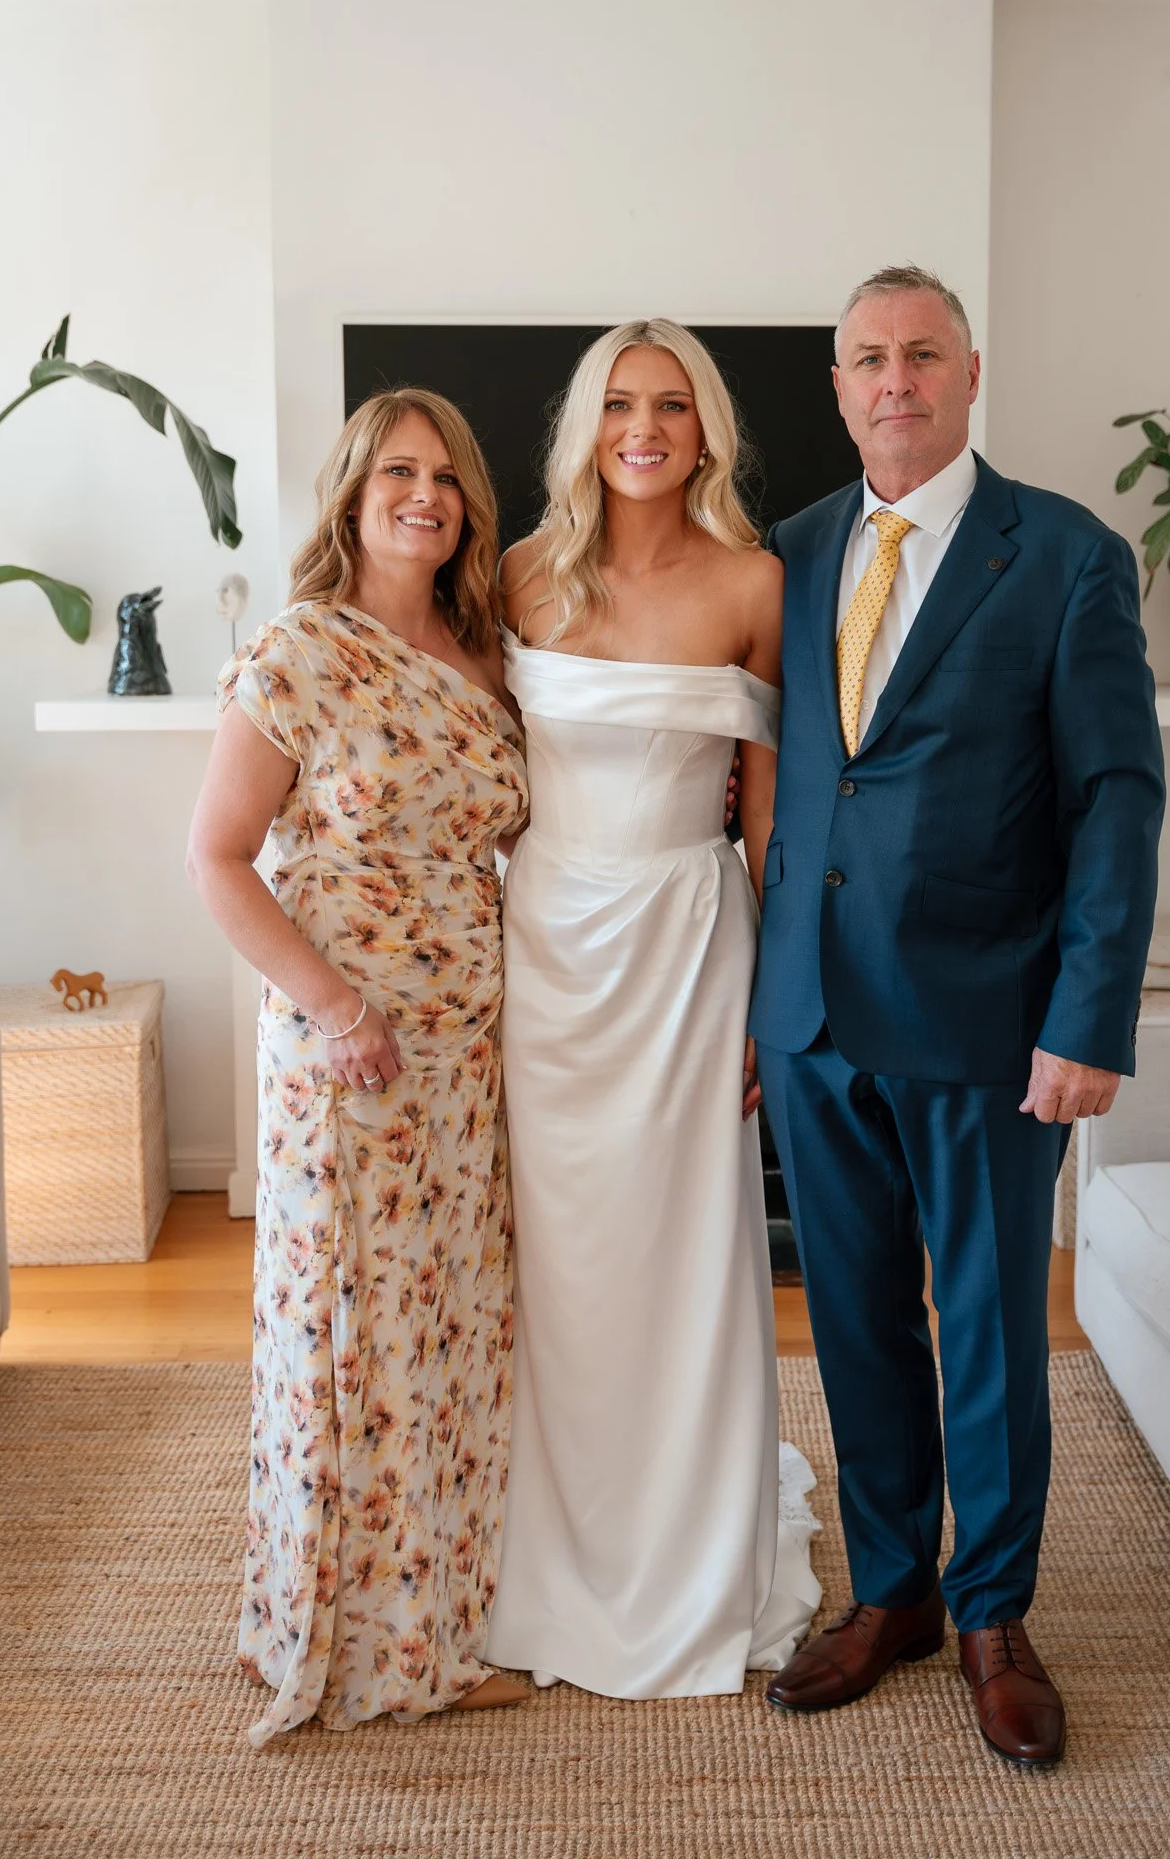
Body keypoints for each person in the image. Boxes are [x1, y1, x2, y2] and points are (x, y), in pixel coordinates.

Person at [753, 266, 1165, 1763]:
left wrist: (1091, 1017)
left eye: (923, 354)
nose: (896, 381)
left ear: (972, 373)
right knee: (853, 1324)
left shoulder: (1061, 556)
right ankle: (895, 1593)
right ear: (841, 383)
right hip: (813, 1016)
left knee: (988, 1327)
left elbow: (1116, 799)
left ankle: (996, 1611)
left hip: (995, 1022)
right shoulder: (786, 554)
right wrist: (754, 1001)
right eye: (868, 358)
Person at [483, 319, 821, 1697]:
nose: (644, 426)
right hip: (545, 950)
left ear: (707, 429)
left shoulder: (757, 584)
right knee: (559, 1260)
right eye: (620, 403)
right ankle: (547, 1551)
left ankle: (689, 1552)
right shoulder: (514, 577)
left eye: (670, 405)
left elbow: (768, 811)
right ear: (587, 426)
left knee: (682, 1248)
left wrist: (770, 994)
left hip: (690, 946)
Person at [186, 389, 530, 1744]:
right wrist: (334, 1007)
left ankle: (436, 1619)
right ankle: (348, 1645)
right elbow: (215, 860)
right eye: (398, 472)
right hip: (352, 1053)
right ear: (351, 490)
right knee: (347, 1336)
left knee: (447, 1336)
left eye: (446, 479)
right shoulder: (298, 652)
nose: (425, 497)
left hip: (471, 1052)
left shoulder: (482, 651)